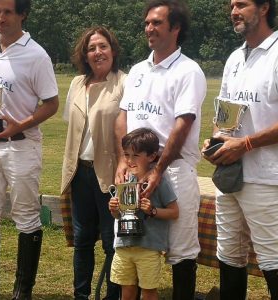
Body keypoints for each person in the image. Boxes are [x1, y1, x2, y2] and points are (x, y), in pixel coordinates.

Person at [201, 0, 278, 299]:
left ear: (264, 8)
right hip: (231, 173)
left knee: (271, 256)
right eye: (231, 5)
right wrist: (217, 141)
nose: (234, 11)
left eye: (242, 4)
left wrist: (246, 144)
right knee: (229, 252)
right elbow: (225, 114)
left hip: (265, 175)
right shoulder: (235, 58)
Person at [114, 1, 206, 299]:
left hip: (173, 170)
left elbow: (183, 125)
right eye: (147, 23)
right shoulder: (138, 70)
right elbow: (123, 116)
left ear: (175, 28)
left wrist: (159, 170)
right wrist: (121, 161)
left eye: (156, 23)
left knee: (180, 250)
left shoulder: (188, 71)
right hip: (134, 170)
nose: (149, 28)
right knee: (133, 242)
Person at [0, 0, 59, 299]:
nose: (0, 18)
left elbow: (52, 104)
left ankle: (23, 292)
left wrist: (18, 126)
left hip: (20, 147)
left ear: (22, 14)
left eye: (8, 12)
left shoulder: (37, 55)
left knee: (26, 217)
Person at [60, 26, 125, 300]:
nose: (97, 52)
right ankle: (81, 295)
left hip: (109, 176)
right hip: (79, 174)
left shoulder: (124, 83)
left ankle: (112, 295)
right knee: (82, 240)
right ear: (84, 55)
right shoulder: (76, 84)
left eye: (103, 46)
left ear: (112, 50)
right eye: (91, 48)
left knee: (112, 243)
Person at [109, 128, 179, 300]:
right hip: (124, 245)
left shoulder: (160, 182)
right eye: (126, 155)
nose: (129, 161)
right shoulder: (125, 181)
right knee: (127, 290)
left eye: (135, 155)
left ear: (152, 156)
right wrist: (114, 208)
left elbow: (174, 212)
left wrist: (152, 211)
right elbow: (119, 216)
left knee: (148, 292)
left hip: (148, 247)